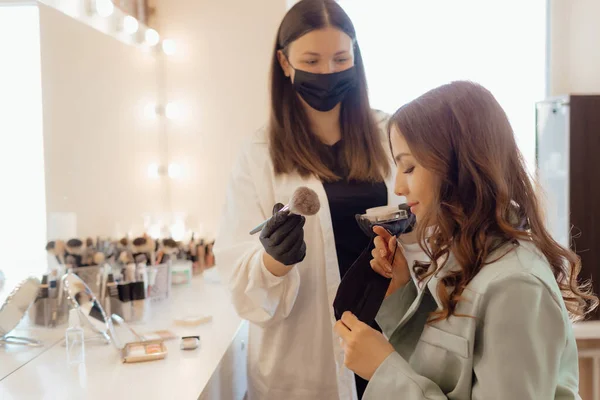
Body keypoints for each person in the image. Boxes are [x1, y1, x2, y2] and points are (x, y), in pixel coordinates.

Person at [334, 80, 598, 399]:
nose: (399, 186)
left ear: (457, 165)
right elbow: (443, 373)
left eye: (409, 167)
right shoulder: (464, 256)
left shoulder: (516, 285)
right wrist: (400, 292)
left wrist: (381, 371)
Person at [214, 0, 399, 399]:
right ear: (284, 62)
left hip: (388, 344)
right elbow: (236, 266)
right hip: (302, 360)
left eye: (339, 59)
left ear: (355, 57)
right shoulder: (260, 150)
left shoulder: (389, 134)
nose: (328, 73)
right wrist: (273, 261)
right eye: (311, 61)